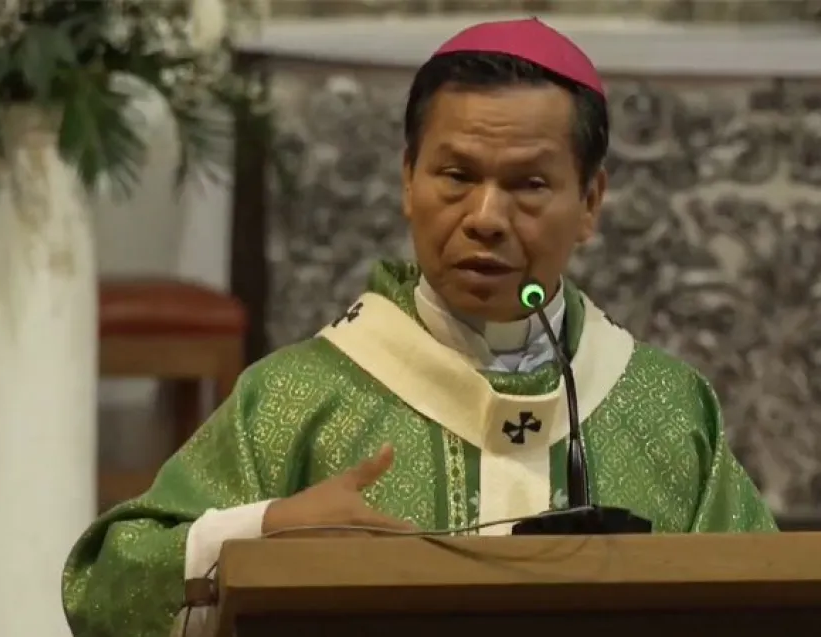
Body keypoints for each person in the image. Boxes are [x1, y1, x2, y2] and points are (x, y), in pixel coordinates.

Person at [62, 17, 777, 637]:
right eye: (456, 175)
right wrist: (263, 531)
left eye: (529, 184)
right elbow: (102, 584)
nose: (486, 217)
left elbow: (775, 600)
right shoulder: (302, 396)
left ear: (590, 200)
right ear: (408, 179)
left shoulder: (667, 408)